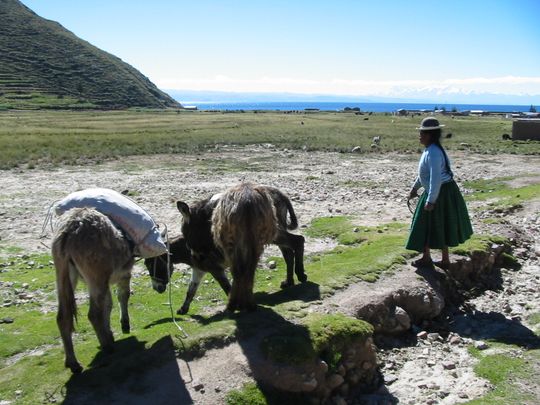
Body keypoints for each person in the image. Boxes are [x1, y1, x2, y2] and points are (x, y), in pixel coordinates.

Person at [406, 117, 473, 268]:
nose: (420, 136)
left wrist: (431, 200)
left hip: (439, 192)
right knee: (438, 223)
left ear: (429, 135)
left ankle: (434, 258)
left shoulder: (434, 153)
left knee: (428, 223)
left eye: (421, 133)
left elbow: (435, 178)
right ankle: (439, 258)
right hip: (438, 191)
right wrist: (414, 188)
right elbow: (424, 174)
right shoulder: (431, 150)